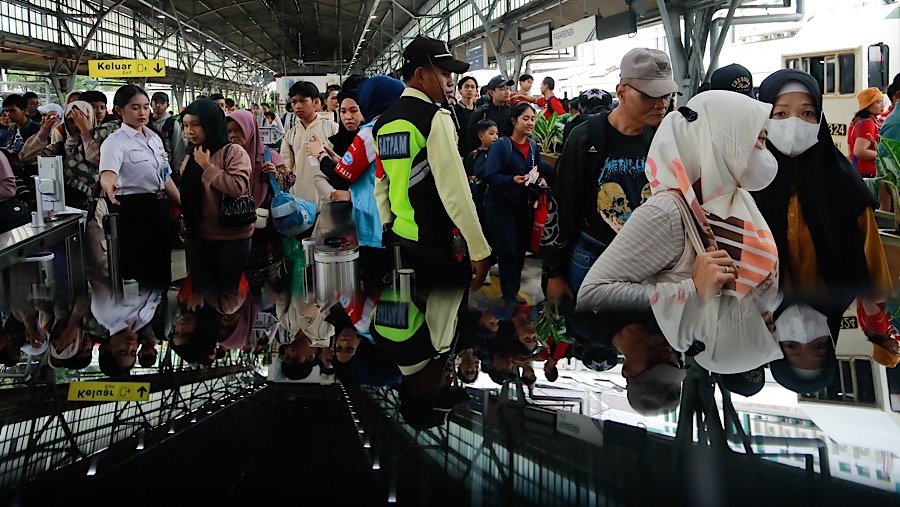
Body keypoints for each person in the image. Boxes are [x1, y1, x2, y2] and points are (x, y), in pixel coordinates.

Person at [577, 90, 784, 375]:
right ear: (724, 142)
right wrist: (691, 289)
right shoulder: (667, 213)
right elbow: (593, 295)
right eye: (759, 141)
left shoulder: (736, 201)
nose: (766, 154)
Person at [371, 35, 490, 426]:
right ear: (420, 74)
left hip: (404, 244)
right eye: (443, 73)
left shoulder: (385, 123)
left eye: (445, 387)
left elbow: (383, 184)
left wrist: (391, 227)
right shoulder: (434, 119)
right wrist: (478, 249)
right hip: (439, 251)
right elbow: (455, 192)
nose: (449, 81)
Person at [752, 69, 894, 393]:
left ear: (820, 119)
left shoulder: (846, 188)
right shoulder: (745, 187)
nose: (794, 123)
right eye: (781, 113)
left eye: (807, 113)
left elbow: (875, 278)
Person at [544, 48, 677, 304]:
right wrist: (554, 271)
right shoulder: (586, 137)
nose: (661, 104)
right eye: (650, 95)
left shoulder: (664, 138)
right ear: (621, 92)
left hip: (646, 262)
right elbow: (563, 206)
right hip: (592, 257)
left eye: (667, 95)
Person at [98, 85, 179, 291]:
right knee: (143, 267)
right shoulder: (114, 142)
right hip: (134, 210)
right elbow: (108, 173)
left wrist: (182, 202)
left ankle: (160, 315)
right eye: (135, 108)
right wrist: (109, 186)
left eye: (145, 107)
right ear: (119, 110)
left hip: (159, 206)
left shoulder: (153, 138)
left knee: (162, 264)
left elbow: (165, 175)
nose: (142, 113)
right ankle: (145, 316)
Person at [179, 99, 253, 316]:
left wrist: (206, 166)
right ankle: (207, 329)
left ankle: (220, 325)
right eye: (185, 125)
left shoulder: (233, 152)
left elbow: (238, 187)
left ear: (211, 124)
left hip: (231, 239)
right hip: (198, 236)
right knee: (201, 294)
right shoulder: (192, 153)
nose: (190, 131)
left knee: (225, 294)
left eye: (196, 125)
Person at [481, 103, 549, 314]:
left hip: (523, 205)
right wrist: (512, 180)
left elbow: (536, 171)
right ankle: (509, 296)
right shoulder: (501, 146)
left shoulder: (533, 146)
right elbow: (490, 175)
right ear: (514, 121)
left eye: (532, 119)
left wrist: (541, 181)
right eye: (525, 119)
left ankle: (512, 292)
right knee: (508, 249)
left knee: (519, 251)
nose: (530, 123)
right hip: (500, 206)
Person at [226, 110, 294, 293]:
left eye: (237, 130)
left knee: (266, 276)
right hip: (237, 223)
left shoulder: (268, 155)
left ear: (250, 130)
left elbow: (289, 179)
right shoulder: (226, 156)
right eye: (229, 131)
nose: (232, 136)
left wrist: (275, 173)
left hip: (265, 227)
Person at [19, 101, 100, 209]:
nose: (76, 125)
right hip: (66, 206)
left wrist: (85, 132)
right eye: (71, 121)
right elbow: (27, 157)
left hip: (97, 207)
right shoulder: (60, 147)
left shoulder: (103, 142)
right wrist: (45, 129)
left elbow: (94, 158)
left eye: (81, 120)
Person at [280, 81, 339, 205]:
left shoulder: (332, 129)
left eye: (302, 101)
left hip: (328, 200)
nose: (297, 106)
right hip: (299, 203)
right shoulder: (290, 135)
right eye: (294, 102)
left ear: (316, 102)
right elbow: (286, 169)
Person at [464, 75, 514, 153]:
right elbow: (471, 140)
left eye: (507, 88)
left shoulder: (512, 112)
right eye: (502, 89)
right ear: (491, 92)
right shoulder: (481, 112)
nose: (507, 92)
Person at [148, 92, 186, 183]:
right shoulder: (146, 122)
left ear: (167, 105)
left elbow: (177, 147)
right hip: (150, 167)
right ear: (150, 104)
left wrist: (176, 169)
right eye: (155, 102)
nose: (158, 105)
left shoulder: (172, 123)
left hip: (167, 166)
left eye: (162, 103)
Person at [453, 76, 479, 153]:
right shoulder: (454, 111)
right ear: (460, 90)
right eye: (466, 86)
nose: (470, 89)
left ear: (476, 91)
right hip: (460, 153)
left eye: (472, 87)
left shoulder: (480, 110)